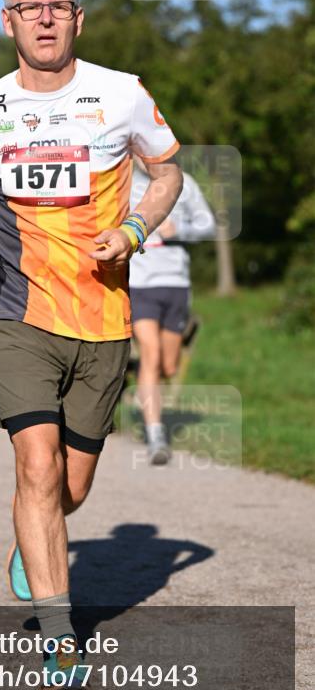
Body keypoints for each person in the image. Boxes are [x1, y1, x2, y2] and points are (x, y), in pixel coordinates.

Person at [0, 0, 183, 690]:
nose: (44, 17)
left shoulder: (122, 95)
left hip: (103, 316)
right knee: (35, 468)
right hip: (15, 314)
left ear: (77, 17)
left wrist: (133, 231)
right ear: (7, 21)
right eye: (29, 7)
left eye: (57, 6)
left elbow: (168, 171)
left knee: (70, 485)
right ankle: (60, 637)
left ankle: (32, 538)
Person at [129, 158, 216, 464]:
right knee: (149, 354)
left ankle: (143, 383)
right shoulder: (120, 185)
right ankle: (156, 436)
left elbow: (208, 225)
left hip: (175, 282)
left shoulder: (183, 183)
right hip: (138, 283)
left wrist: (179, 229)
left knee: (168, 366)